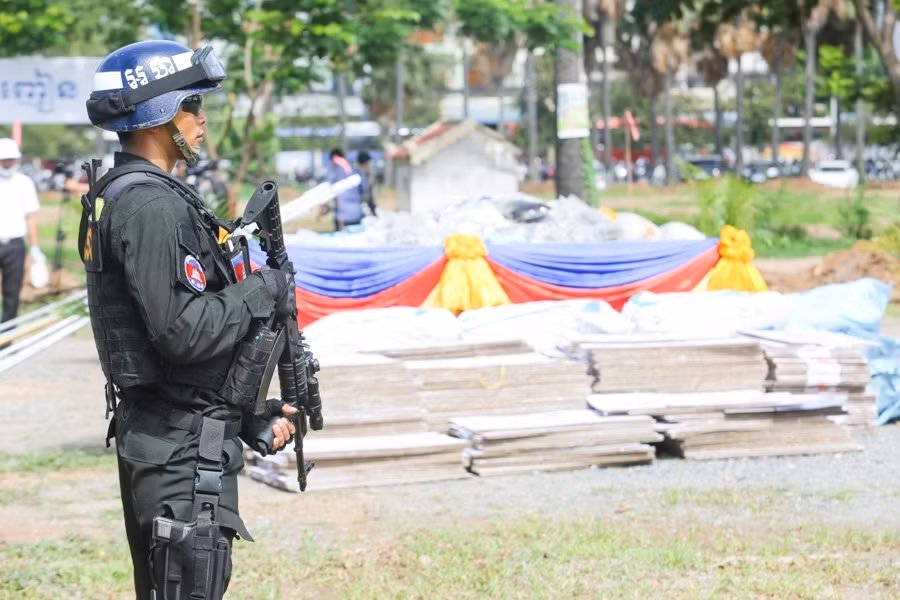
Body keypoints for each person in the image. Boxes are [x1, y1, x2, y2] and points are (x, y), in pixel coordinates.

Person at [80, 40, 298, 600]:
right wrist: (262, 290)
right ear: (157, 117)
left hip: (183, 436)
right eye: (191, 106)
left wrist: (245, 415)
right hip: (178, 455)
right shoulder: (151, 206)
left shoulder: (141, 195)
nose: (201, 120)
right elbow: (183, 332)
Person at [0, 137, 42, 322]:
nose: (7, 163)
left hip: (15, 244)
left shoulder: (24, 183)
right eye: (4, 159)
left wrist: (34, 248)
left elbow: (31, 217)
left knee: (12, 290)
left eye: (10, 159)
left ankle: (7, 335)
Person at [323, 148, 364, 231]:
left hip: (342, 215)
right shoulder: (354, 167)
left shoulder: (334, 168)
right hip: (356, 213)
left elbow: (326, 187)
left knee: (342, 241)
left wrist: (323, 208)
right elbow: (363, 188)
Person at [356, 150, 377, 217]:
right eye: (368, 162)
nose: (369, 164)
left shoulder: (369, 172)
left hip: (368, 203)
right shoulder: (358, 173)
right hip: (360, 204)